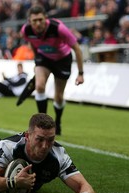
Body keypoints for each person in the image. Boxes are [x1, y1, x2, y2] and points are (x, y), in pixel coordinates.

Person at [0, 113, 100, 193]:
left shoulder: (59, 155)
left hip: (3, 156)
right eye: (39, 139)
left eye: (50, 140)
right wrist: (14, 182)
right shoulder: (9, 147)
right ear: (28, 136)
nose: (45, 146)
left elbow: (84, 186)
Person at [17, 5, 85, 135]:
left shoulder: (58, 28)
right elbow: (32, 42)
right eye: (34, 20)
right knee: (40, 86)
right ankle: (43, 124)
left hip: (62, 60)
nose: (38, 23)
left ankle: (57, 122)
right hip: (44, 58)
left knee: (58, 97)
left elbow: (77, 48)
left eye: (40, 20)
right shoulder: (26, 30)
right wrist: (37, 59)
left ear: (46, 18)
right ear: (29, 22)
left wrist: (80, 73)